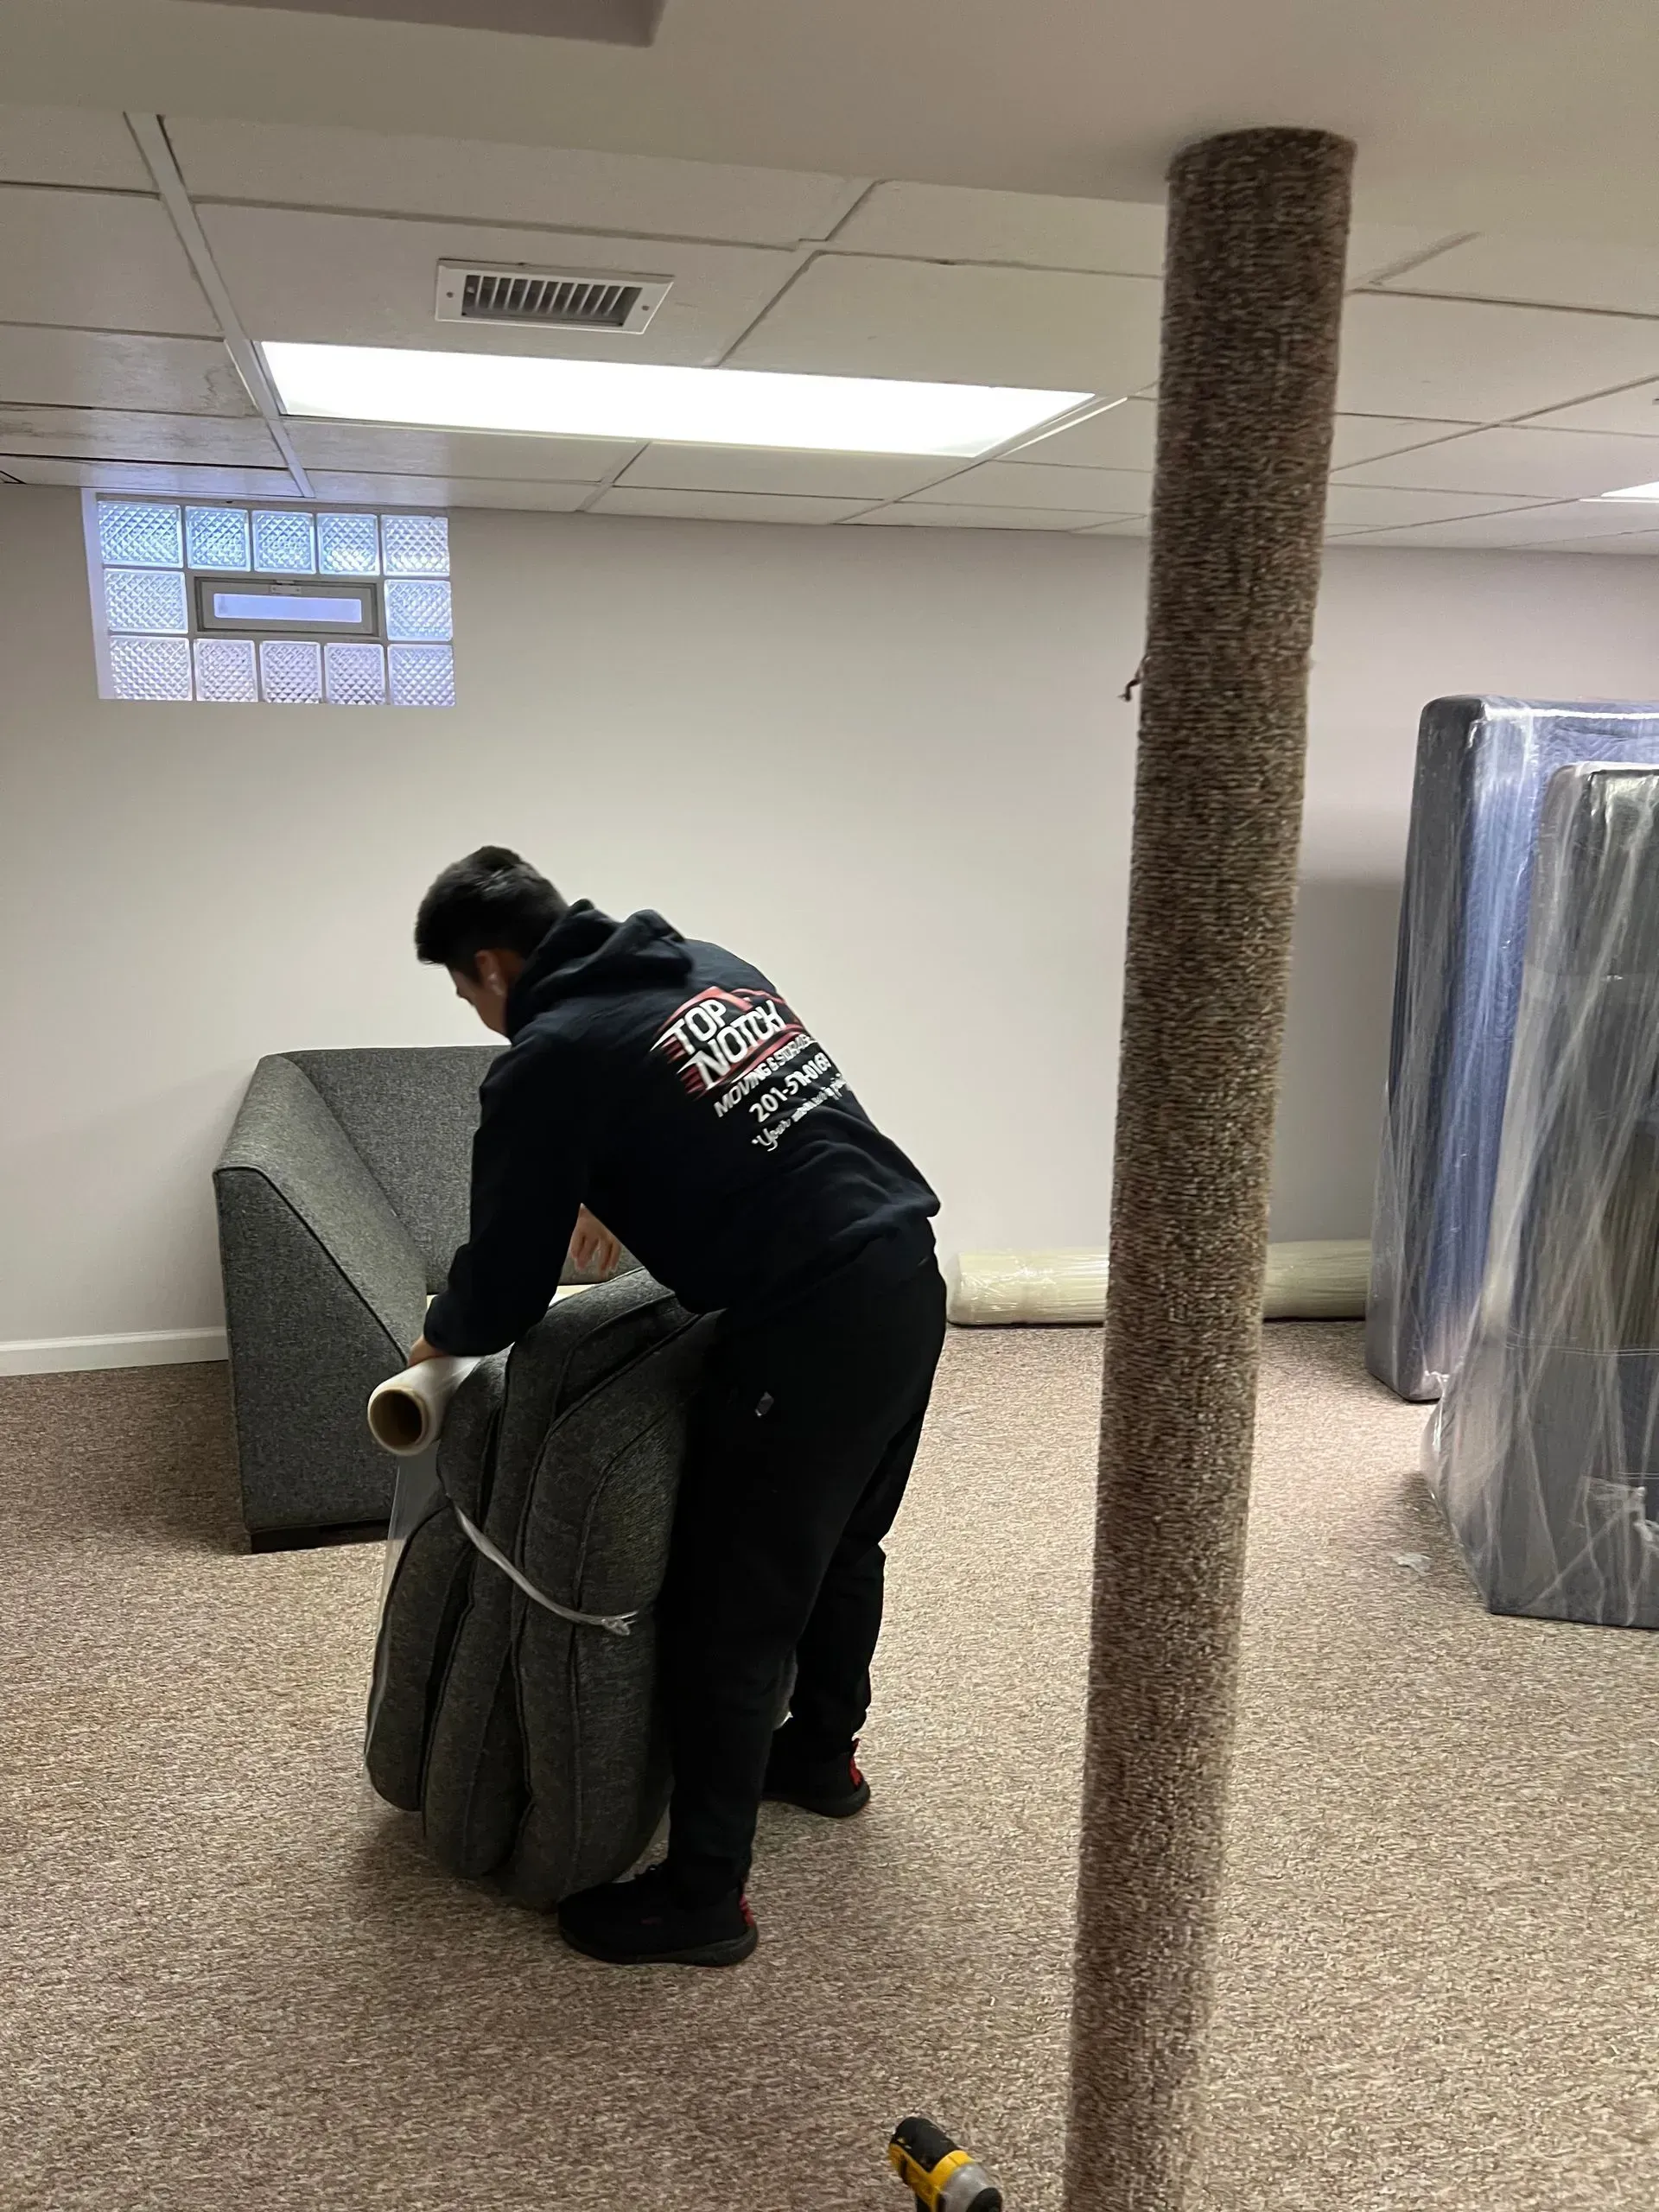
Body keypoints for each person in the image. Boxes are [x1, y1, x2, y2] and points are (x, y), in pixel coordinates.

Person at [409, 847, 945, 1967]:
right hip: (906, 1273)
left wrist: (438, 1339)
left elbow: (505, 1287)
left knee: (727, 1616)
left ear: (496, 964)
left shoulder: (550, 1055)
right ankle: (823, 1757)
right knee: (848, 1546)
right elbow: (740, 1140)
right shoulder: (709, 968)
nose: (479, 1016)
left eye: (468, 993)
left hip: (809, 1330)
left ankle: (706, 1900)